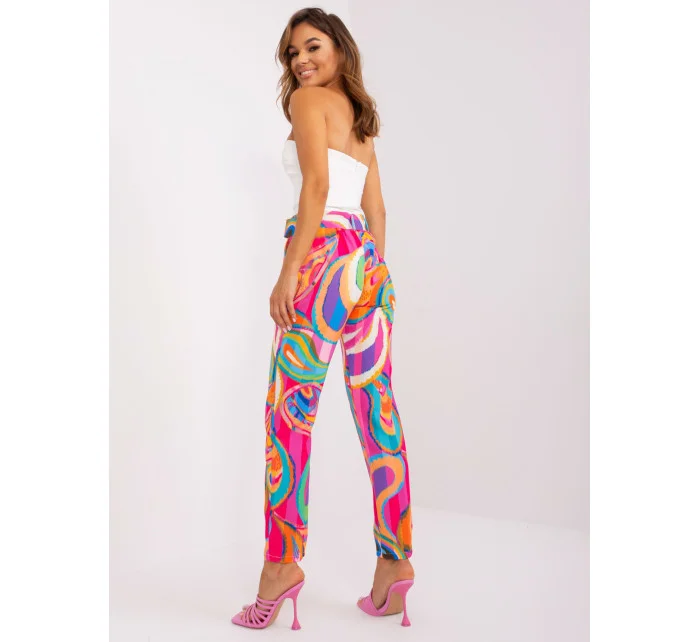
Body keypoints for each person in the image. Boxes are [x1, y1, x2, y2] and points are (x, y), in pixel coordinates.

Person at [232, 8, 415, 630]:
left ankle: (281, 566)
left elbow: (315, 187)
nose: (301, 61)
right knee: (377, 412)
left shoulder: (308, 102)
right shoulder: (361, 118)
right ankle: (394, 564)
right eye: (292, 53)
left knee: (289, 413)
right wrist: (371, 275)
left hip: (321, 256)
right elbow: (377, 209)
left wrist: (292, 270)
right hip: (368, 264)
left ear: (339, 47)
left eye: (312, 47)